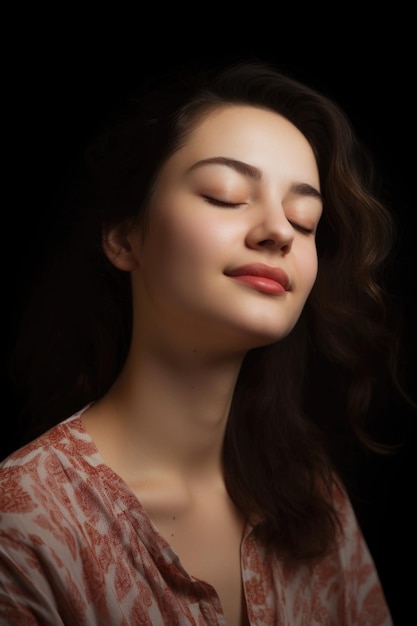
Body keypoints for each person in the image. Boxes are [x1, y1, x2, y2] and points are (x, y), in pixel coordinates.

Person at [0, 59, 412, 625]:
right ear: (126, 237)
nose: (279, 231)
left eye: (305, 218)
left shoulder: (314, 498)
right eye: (225, 194)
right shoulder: (24, 525)